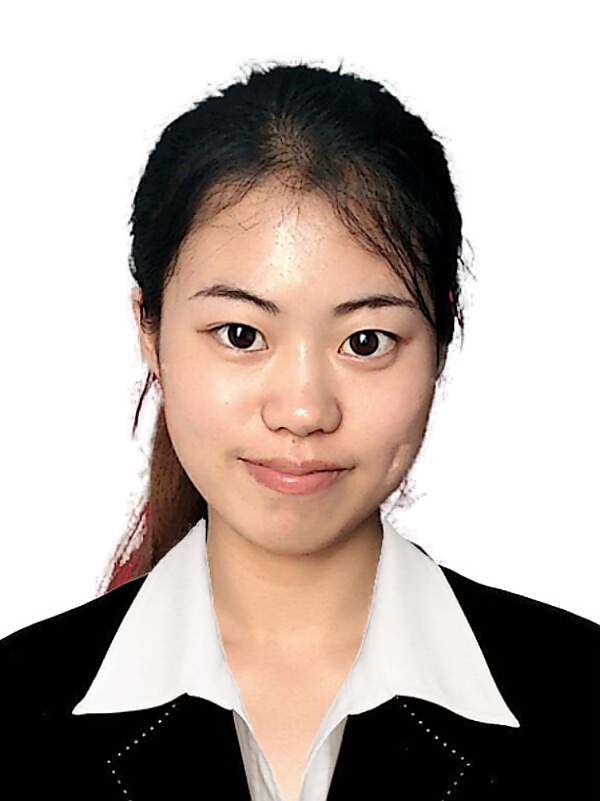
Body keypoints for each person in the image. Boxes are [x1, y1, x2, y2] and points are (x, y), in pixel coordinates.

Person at [1, 61, 598, 801]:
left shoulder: (581, 701)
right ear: (149, 331)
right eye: (241, 335)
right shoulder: (16, 709)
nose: (304, 410)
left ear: (442, 340)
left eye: (366, 342)